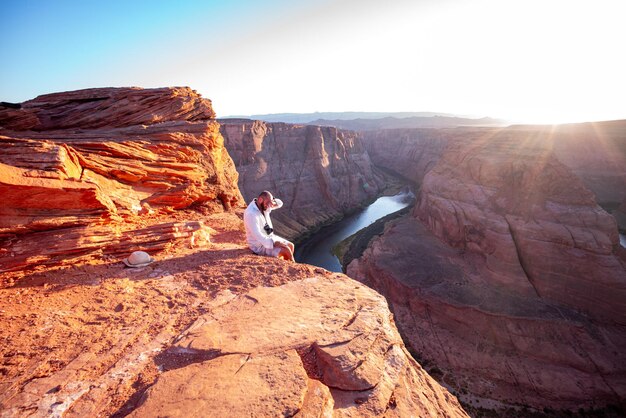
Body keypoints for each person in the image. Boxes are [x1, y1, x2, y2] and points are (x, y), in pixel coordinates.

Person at [243, 190, 295, 261]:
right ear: (260, 200)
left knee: (291, 245)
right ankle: (292, 266)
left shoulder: (264, 206)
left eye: (269, 203)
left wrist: (271, 201)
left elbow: (280, 203)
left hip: (269, 237)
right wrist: (274, 243)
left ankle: (286, 264)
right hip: (259, 245)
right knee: (286, 250)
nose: (269, 206)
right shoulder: (251, 214)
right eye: (267, 203)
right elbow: (258, 236)